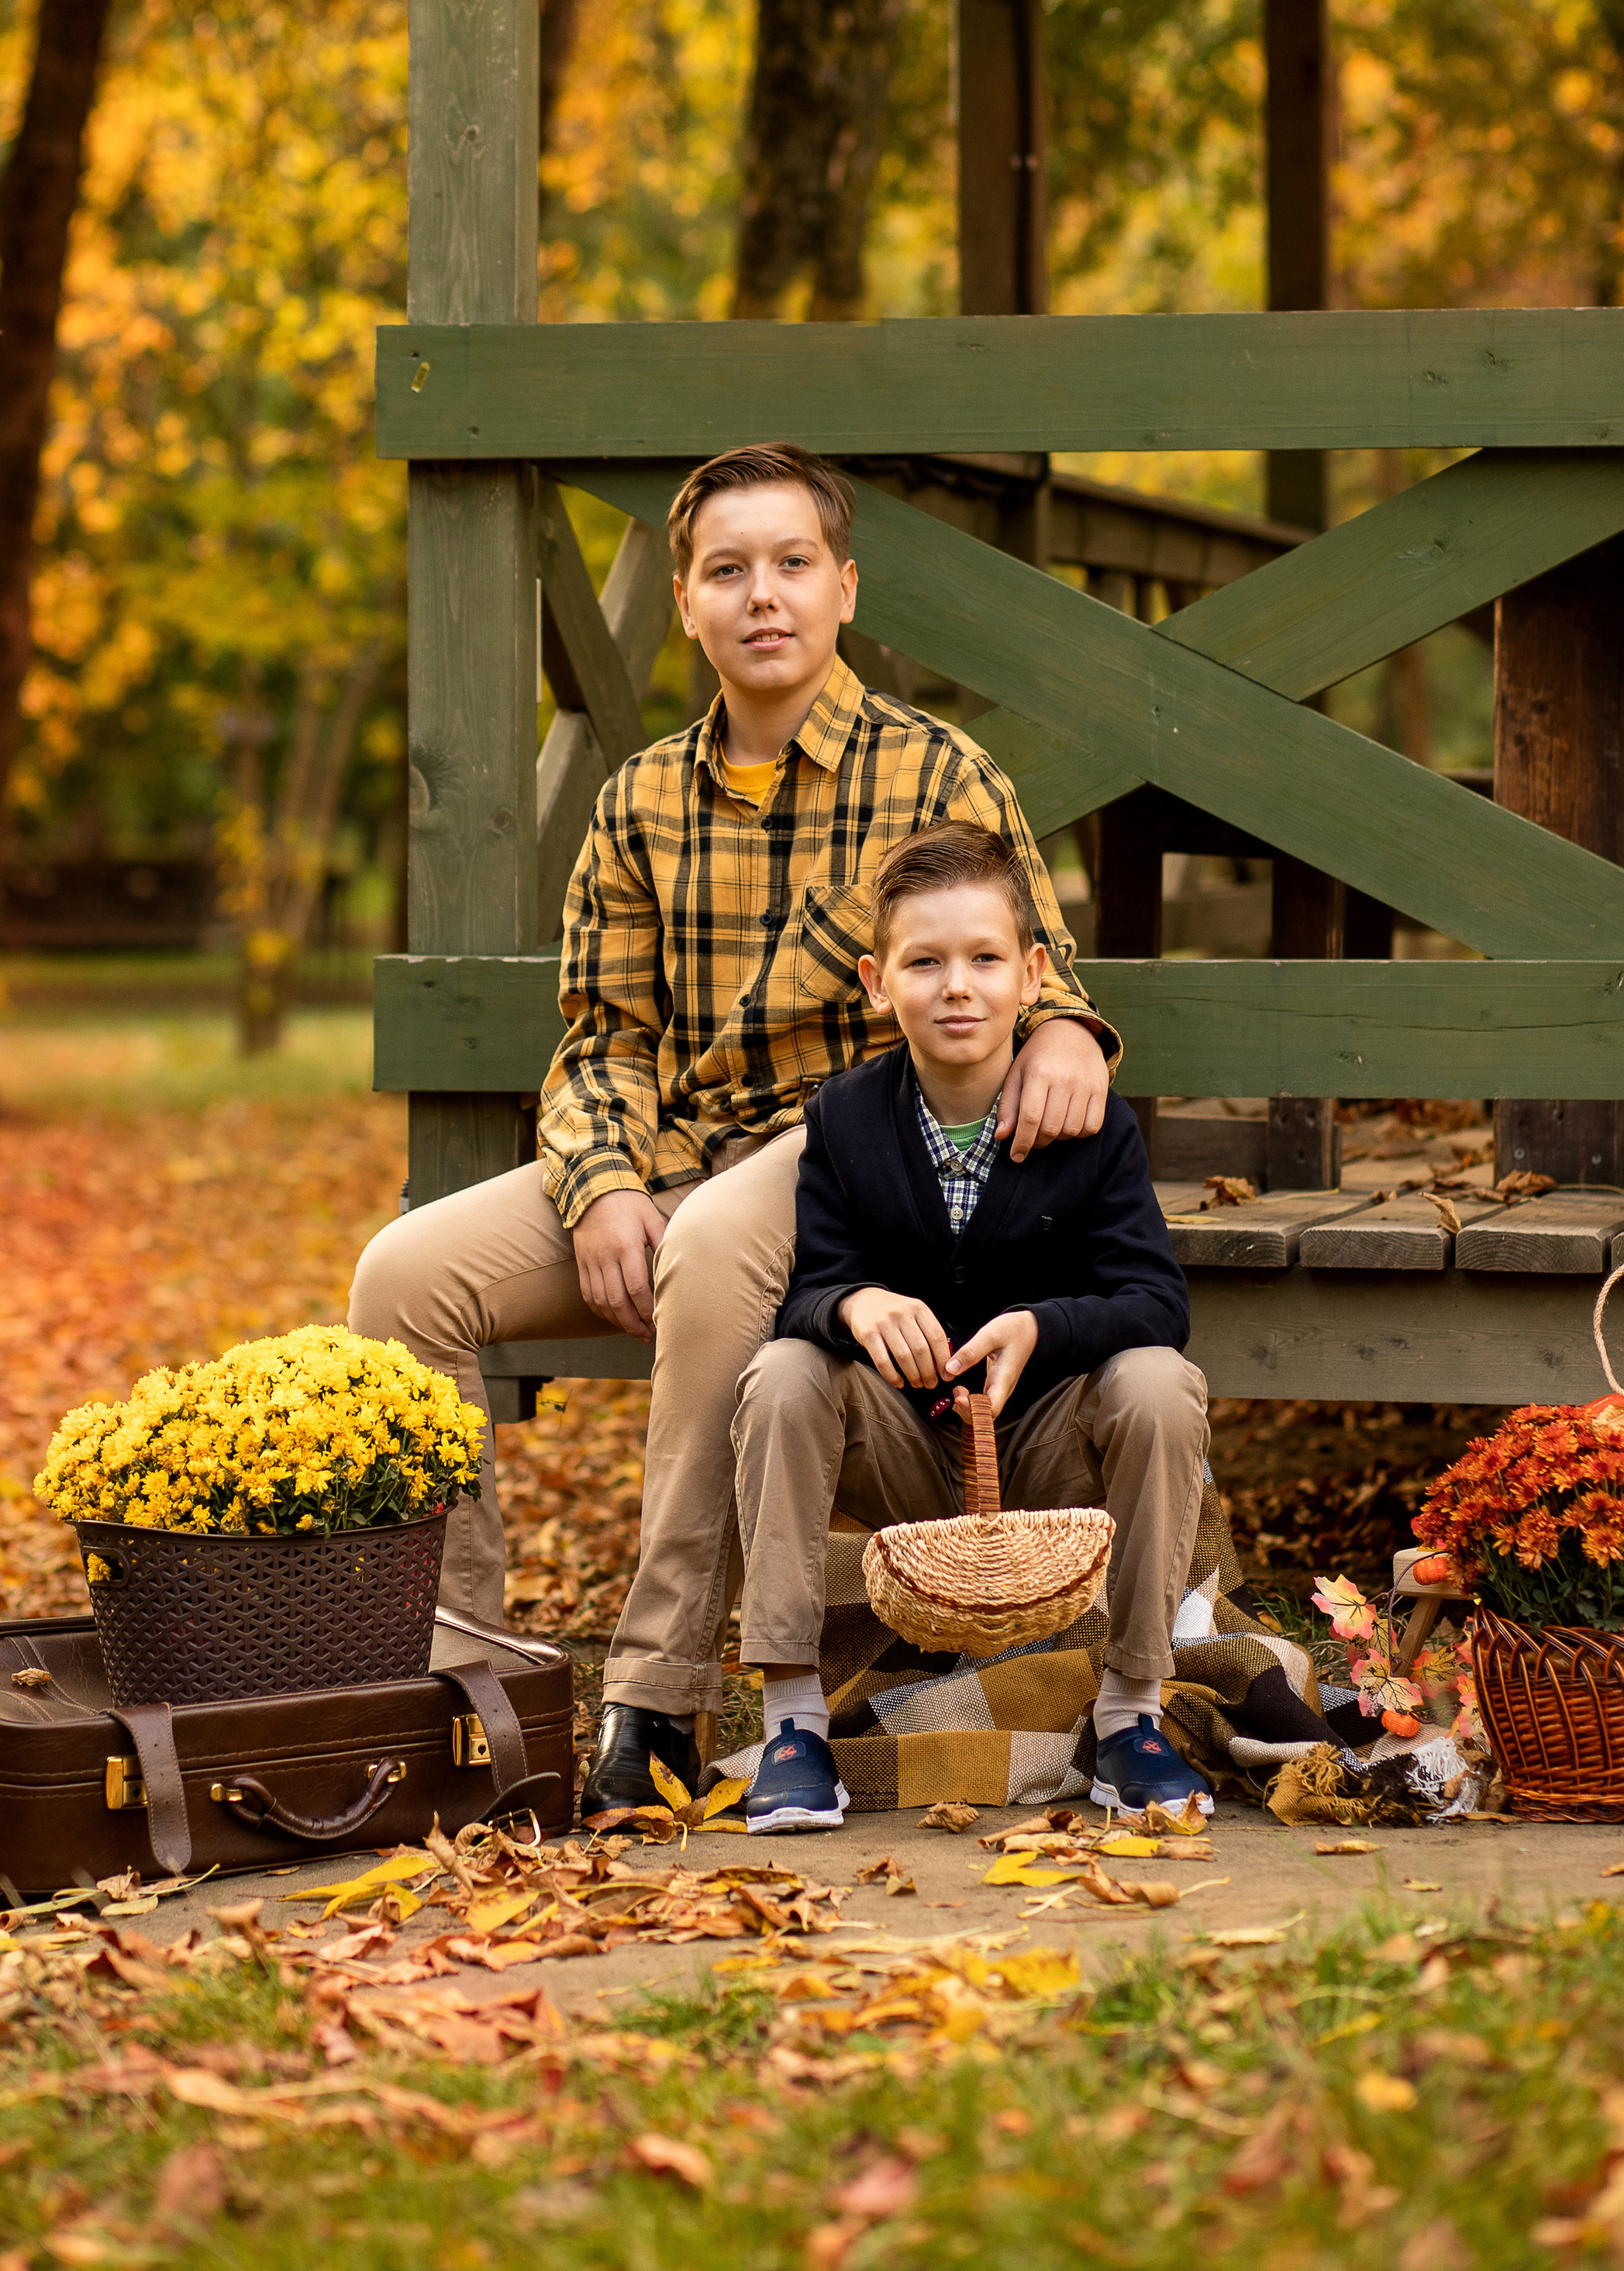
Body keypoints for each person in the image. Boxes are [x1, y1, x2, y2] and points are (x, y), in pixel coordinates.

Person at [349, 442, 1117, 1817]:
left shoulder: (938, 775)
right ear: (693, 608)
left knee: (707, 1242)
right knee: (401, 1276)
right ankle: (459, 1671)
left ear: (844, 588)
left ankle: (652, 1698)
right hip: (672, 1151)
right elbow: (604, 1041)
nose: (762, 596)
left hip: (844, 1159)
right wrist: (594, 1185)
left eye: (792, 564)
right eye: (727, 571)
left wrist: (1065, 1029)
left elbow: (1036, 969)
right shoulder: (639, 802)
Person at [731, 818, 1211, 1834]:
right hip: (908, 1455)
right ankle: (793, 1726)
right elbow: (808, 1289)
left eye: (986, 959)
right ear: (875, 981)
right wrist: (854, 1305)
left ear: (1032, 973)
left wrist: (1044, 1326)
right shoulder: (847, 1119)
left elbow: (1154, 1301)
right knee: (782, 1370)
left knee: (1161, 1382)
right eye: (925, 961)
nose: (958, 986)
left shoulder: (1093, 1122)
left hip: (1047, 1463)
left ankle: (1131, 1715)